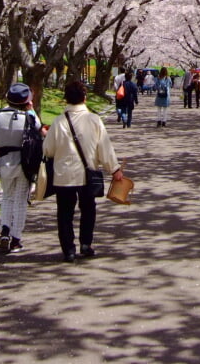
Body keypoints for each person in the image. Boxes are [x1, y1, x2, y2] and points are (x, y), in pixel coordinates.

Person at [42, 79, 123, 262]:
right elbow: (105, 148)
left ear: (66, 99)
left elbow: (48, 150)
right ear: (85, 98)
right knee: (88, 209)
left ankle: (68, 250)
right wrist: (114, 169)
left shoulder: (59, 121)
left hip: (64, 175)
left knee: (64, 212)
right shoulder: (94, 120)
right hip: (88, 173)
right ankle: (86, 244)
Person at [0, 82, 43, 252]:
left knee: (7, 197)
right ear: (26, 101)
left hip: (3, 162)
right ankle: (16, 239)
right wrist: (31, 110)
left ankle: (4, 231)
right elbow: (41, 132)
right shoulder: (29, 117)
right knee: (21, 200)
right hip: (24, 163)